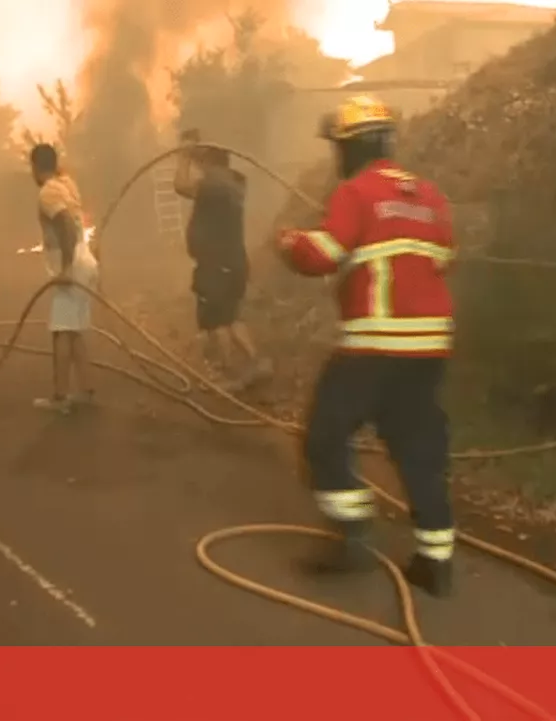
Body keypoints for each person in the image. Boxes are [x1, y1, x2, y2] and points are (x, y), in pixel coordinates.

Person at [275, 96, 457, 597]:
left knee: (325, 438)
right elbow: (442, 258)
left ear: (351, 148)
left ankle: (353, 538)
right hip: (429, 348)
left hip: (374, 346)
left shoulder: (355, 192)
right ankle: (435, 560)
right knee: (418, 448)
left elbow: (324, 255)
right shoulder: (430, 196)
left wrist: (291, 243)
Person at [173, 133, 270, 390]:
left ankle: (225, 376)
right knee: (231, 318)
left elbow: (181, 186)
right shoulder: (234, 182)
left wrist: (183, 156)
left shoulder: (213, 184)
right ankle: (257, 363)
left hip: (215, 266)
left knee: (216, 323)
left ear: (208, 163)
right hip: (234, 262)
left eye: (201, 162)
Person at [29, 143, 99, 414]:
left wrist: (67, 268)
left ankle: (60, 397)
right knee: (74, 329)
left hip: (74, 266)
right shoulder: (66, 184)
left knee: (61, 331)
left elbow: (67, 226)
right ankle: (87, 389)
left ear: (35, 167)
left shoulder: (48, 193)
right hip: (86, 260)